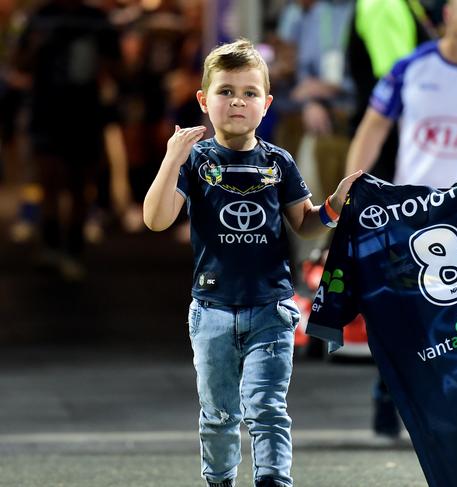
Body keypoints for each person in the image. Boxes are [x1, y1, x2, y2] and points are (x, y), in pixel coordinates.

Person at [142, 38, 361, 487]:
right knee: (219, 413)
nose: (237, 101)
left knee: (267, 409)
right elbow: (156, 219)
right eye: (225, 92)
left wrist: (334, 207)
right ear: (204, 101)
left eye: (249, 92)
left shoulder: (278, 163)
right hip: (212, 309)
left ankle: (273, 481)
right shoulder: (195, 162)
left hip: (272, 307)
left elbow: (305, 222)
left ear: (266, 103)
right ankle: (220, 479)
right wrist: (171, 159)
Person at [345, 0, 434, 439]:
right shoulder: (383, 4)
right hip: (406, 186)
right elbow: (391, 83)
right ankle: (389, 392)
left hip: (428, 185)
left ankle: (400, 396)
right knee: (407, 296)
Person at [345, 0, 457, 189]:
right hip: (411, 207)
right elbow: (372, 129)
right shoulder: (410, 68)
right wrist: (347, 194)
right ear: (448, 15)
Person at [12, 0, 121, 281]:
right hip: (47, 110)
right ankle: (49, 246)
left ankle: (72, 249)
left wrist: (98, 63)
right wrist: (38, 48)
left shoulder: (96, 21)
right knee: (49, 178)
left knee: (78, 183)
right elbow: (20, 62)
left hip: (84, 113)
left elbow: (118, 66)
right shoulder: (41, 18)